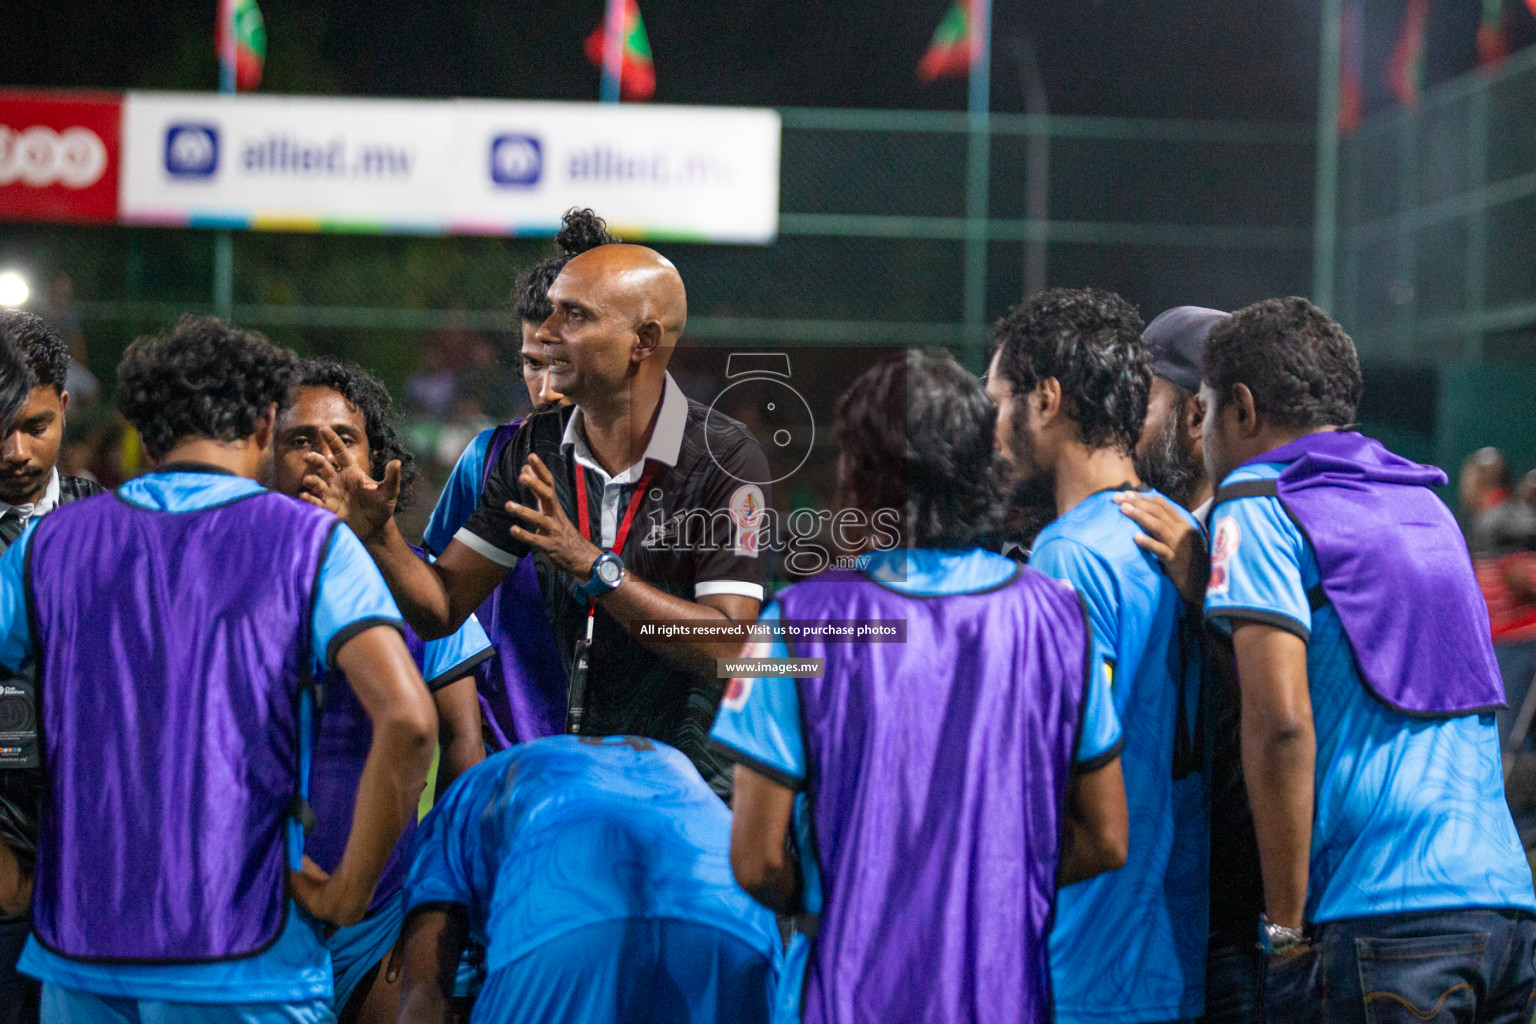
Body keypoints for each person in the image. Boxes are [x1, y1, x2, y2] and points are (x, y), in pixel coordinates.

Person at [0, 316, 437, 1024]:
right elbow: (412, 720)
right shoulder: (312, 543)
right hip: (246, 959)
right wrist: (348, 892)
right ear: (266, 426)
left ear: (142, 428)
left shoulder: (52, 543)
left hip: (82, 953)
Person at [714, 350, 1128, 1024]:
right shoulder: (1059, 618)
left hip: (843, 994)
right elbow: (1106, 838)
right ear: (981, 467)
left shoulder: (791, 622)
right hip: (1003, 994)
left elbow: (756, 860)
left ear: (858, 470)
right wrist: (994, 888)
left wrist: (843, 892)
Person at [303, 244, 769, 796]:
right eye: (551, 312)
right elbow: (441, 609)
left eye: (574, 316)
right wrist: (379, 535)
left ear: (642, 341)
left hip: (690, 794)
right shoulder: (533, 448)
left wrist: (592, 565)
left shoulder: (727, 458)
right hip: (572, 789)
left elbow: (729, 645)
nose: (546, 333)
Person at [1200, 297, 1536, 1024]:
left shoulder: (1258, 503)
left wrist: (1284, 936)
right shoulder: (1425, 503)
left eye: (1201, 410)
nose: (1197, 432)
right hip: (1504, 911)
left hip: (1382, 921)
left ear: (1243, 410)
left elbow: (1281, 725)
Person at [986, 288, 1208, 1024]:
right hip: (1169, 952)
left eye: (999, 403)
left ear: (1046, 400)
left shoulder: (1069, 557)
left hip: (1084, 962)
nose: (992, 429)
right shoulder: (1183, 535)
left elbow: (1049, 780)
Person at [270, 358, 492, 1024]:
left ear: (378, 457)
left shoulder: (423, 589)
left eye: (345, 439)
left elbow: (461, 747)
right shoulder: (234, 570)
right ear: (263, 453)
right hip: (255, 919)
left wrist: (436, 907)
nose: (323, 457)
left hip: (381, 916)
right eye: (300, 439)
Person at [394, 734, 782, 1024]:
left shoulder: (448, 816)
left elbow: (425, 998)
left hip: (570, 899)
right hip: (740, 915)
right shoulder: (652, 757)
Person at [1117, 306, 1268, 1024]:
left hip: (1234, 915)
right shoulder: (1142, 537)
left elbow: (1281, 718)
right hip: (1171, 908)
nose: (1124, 429)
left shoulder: (1246, 537)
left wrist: (1204, 586)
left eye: (1142, 403)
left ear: (1193, 418)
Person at [423, 207, 613, 747]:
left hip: (632, 768)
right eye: (534, 364)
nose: (547, 388)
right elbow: (438, 596)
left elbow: (726, 638)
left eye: (563, 362)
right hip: (508, 762)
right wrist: (467, 730)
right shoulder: (488, 460)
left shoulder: (680, 464)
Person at [0, 311, 105, 1024]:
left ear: (63, 409)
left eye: (34, 426)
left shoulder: (107, 519)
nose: (13, 451)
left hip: (92, 826)